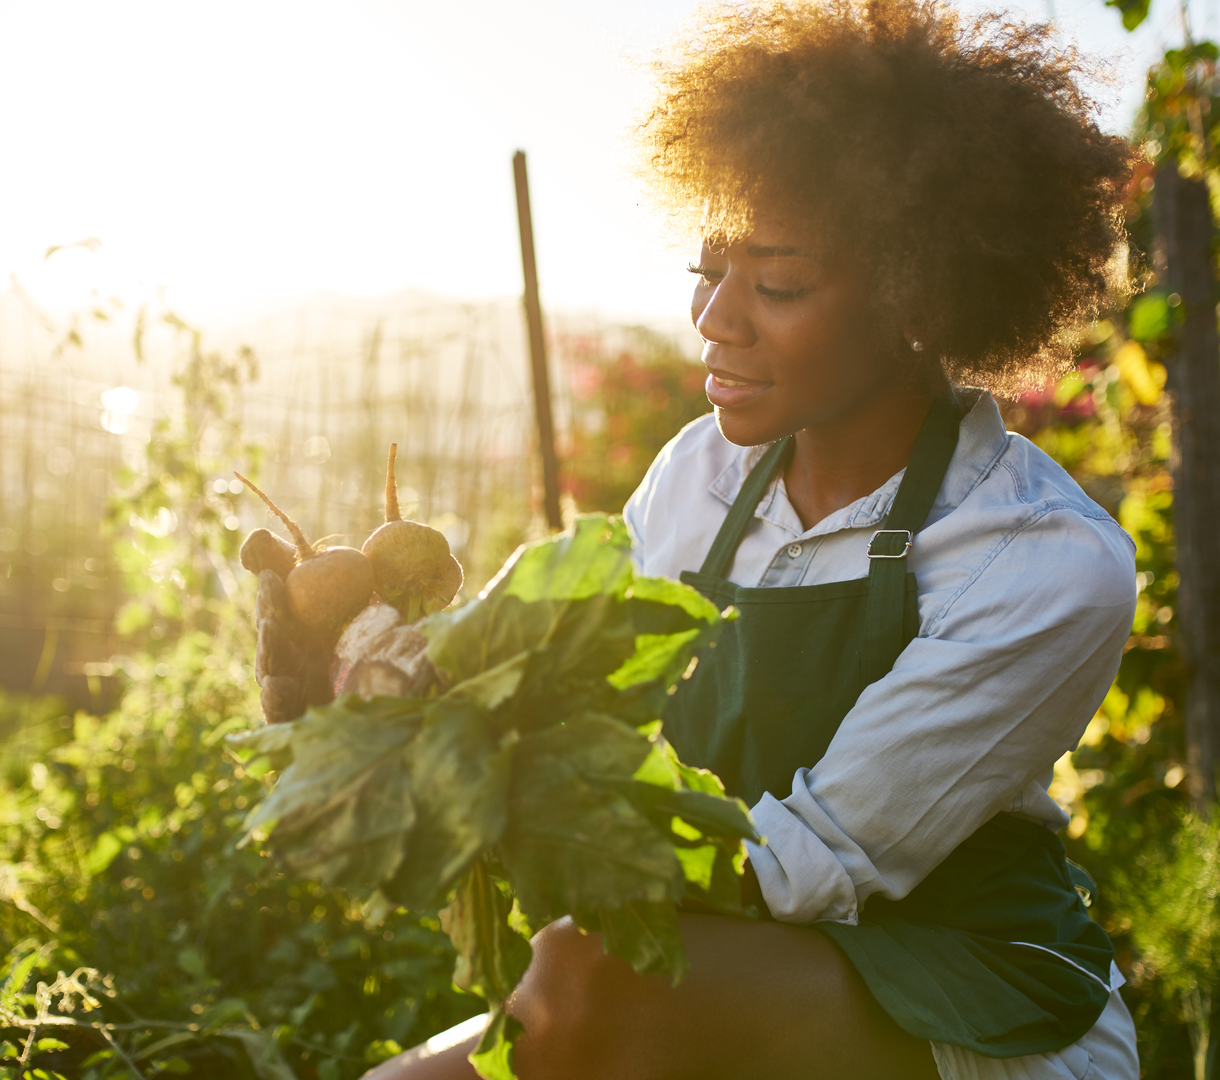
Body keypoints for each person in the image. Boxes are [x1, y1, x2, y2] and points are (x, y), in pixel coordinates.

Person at [363, 1, 1141, 1076]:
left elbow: (799, 868)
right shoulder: (699, 474)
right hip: (713, 963)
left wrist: (512, 804)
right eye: (709, 269)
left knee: (583, 983)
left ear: (920, 296)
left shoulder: (1044, 560)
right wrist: (384, 687)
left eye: (776, 284)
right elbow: (551, 686)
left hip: (966, 996)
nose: (717, 318)